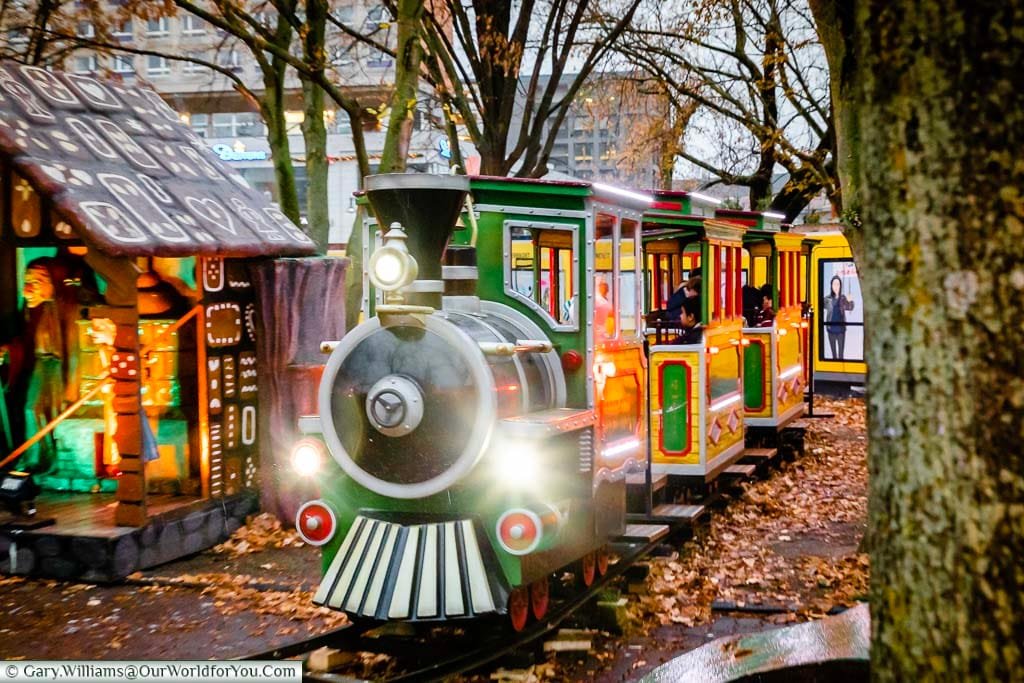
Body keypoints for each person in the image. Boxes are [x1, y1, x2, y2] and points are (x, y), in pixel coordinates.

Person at [823, 275, 855, 359]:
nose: (836, 286)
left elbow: (850, 307)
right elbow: (819, 306)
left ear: (840, 286)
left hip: (841, 330)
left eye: (838, 284)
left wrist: (850, 301)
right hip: (831, 329)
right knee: (834, 354)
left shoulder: (843, 298)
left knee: (841, 355)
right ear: (831, 285)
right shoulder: (827, 299)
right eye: (834, 284)